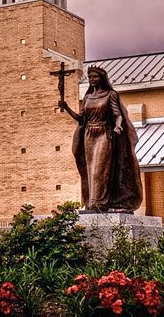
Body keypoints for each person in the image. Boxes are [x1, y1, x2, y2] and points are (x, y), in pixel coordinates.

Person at [59, 66, 142, 212]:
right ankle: (92, 203)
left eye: (95, 77)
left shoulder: (110, 95)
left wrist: (117, 126)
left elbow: (118, 114)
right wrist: (66, 107)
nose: (92, 80)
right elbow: (81, 119)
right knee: (90, 170)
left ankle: (100, 203)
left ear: (101, 78)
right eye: (90, 77)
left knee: (100, 169)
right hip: (89, 134)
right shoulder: (87, 97)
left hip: (104, 133)